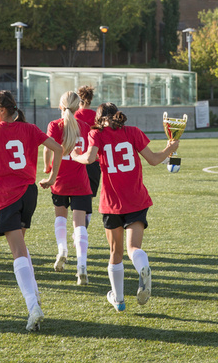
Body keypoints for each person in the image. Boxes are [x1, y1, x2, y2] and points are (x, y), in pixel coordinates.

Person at [71, 102, 179, 312]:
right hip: (136, 199)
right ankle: (143, 267)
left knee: (115, 252)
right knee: (133, 249)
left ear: (100, 119)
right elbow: (155, 160)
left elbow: (90, 158)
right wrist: (170, 149)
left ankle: (119, 300)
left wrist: (75, 155)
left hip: (111, 203)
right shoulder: (133, 132)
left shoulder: (96, 134)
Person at [0, 90, 62, 332]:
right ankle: (34, 294)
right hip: (28, 194)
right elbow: (58, 149)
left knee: (17, 252)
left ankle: (33, 307)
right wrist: (52, 177)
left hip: (6, 196)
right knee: (21, 246)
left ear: (1, 110)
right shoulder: (30, 128)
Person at [43, 91, 92, 285]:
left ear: (61, 106)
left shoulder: (55, 125)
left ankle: (62, 250)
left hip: (60, 180)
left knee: (60, 218)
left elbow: (47, 149)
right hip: (80, 180)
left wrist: (47, 169)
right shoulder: (85, 127)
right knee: (79, 224)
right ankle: (82, 265)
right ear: (79, 105)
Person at [74, 85, 100, 226]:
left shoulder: (73, 115)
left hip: (76, 160)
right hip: (93, 160)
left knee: (76, 198)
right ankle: (83, 229)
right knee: (88, 197)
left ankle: (78, 229)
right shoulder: (97, 116)